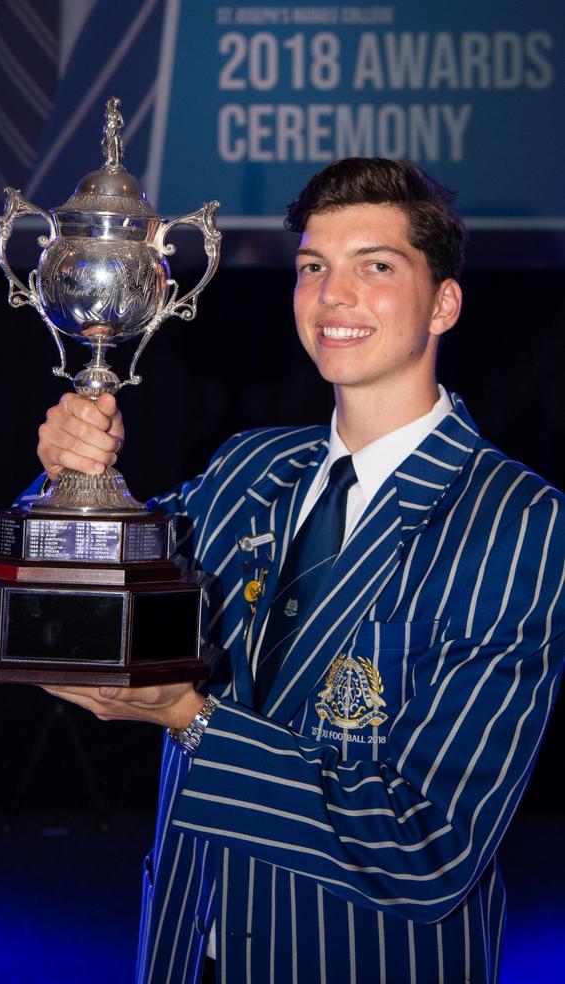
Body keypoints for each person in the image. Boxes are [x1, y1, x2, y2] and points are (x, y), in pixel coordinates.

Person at [34, 158, 565, 984]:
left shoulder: (519, 520)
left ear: (445, 304)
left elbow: (430, 847)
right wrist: (70, 477)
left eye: (376, 267)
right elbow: (92, 584)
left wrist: (192, 720)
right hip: (187, 946)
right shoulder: (251, 469)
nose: (332, 296)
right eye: (314, 267)